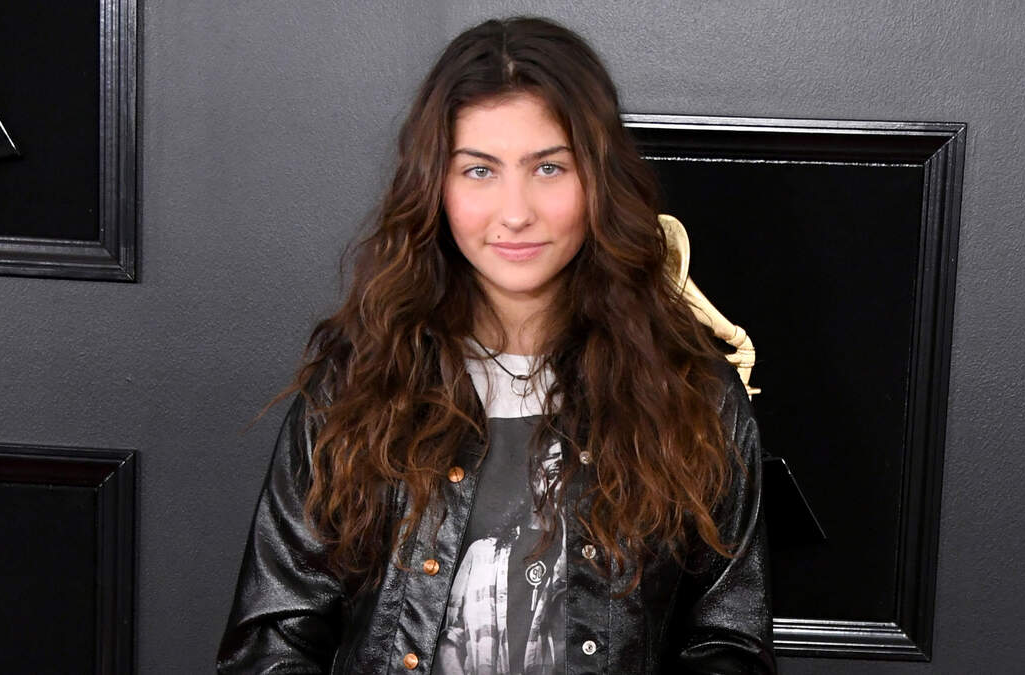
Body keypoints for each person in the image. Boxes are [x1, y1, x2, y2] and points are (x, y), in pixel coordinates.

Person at [217, 15, 774, 675]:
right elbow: (273, 645)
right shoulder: (355, 387)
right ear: (436, 186)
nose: (516, 212)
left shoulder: (695, 394)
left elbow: (728, 645)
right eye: (480, 170)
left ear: (599, 181)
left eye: (549, 167)